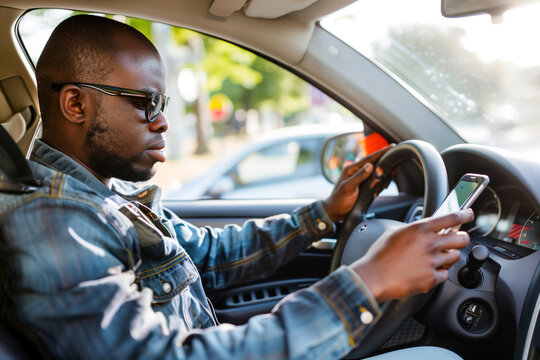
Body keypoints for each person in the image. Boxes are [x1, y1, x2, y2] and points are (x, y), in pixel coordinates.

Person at [0, 15, 472, 359]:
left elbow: (209, 255)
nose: (163, 121)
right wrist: (368, 282)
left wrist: (325, 214)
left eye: (161, 102)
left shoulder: (106, 198)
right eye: (146, 102)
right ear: (75, 104)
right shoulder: (51, 219)